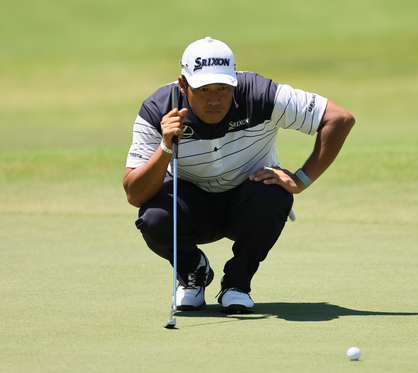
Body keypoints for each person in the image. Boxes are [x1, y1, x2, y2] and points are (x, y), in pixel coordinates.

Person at [123, 36, 355, 314]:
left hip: (248, 201)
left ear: (234, 80)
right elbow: (135, 195)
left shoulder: (261, 94)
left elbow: (339, 119)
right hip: (192, 207)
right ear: (183, 85)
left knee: (272, 194)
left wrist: (301, 179)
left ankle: (237, 284)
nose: (215, 99)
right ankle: (192, 272)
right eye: (204, 89)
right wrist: (165, 146)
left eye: (223, 87)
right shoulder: (158, 109)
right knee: (154, 216)